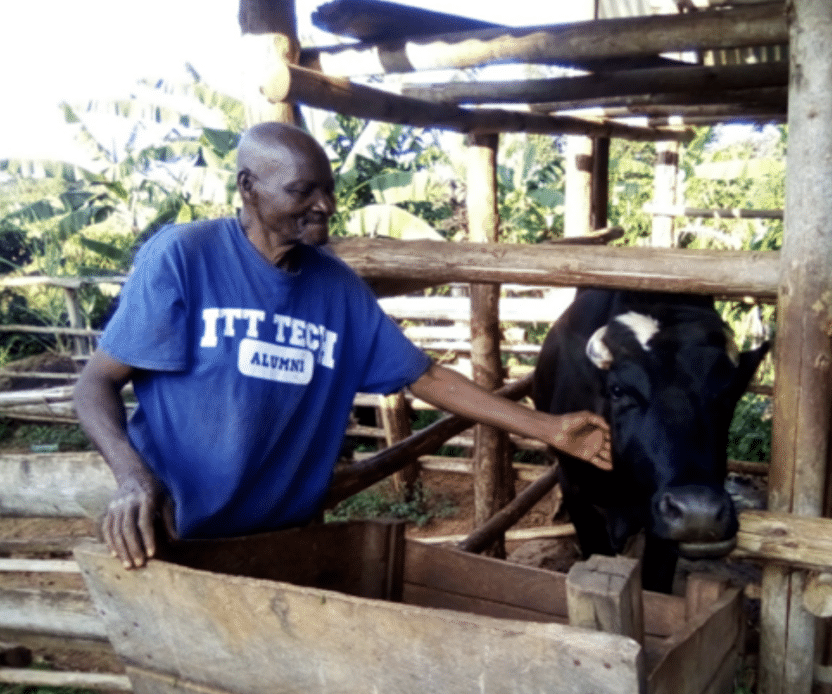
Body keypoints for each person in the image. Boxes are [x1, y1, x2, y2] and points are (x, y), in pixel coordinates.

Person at [73, 121, 611, 570]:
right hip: (172, 536)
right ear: (248, 186)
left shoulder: (336, 286)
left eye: (327, 189)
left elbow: (426, 378)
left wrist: (550, 428)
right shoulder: (185, 258)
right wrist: (131, 478)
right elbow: (95, 384)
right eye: (302, 191)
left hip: (285, 539)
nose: (324, 205)